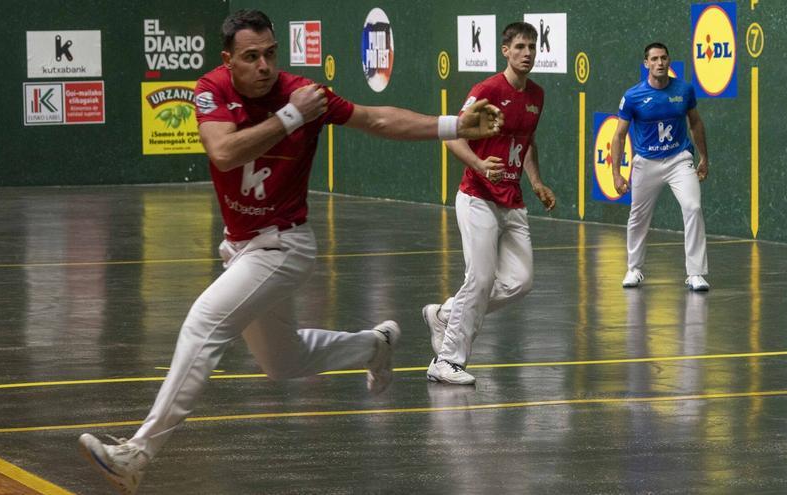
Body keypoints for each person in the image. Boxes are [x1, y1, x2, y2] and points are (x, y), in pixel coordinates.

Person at [78, 9, 502, 494]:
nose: (263, 66)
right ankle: (374, 345)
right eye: (251, 57)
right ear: (228, 60)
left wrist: (456, 125)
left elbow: (377, 118)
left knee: (203, 322)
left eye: (270, 54)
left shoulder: (306, 94)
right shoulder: (212, 90)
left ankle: (137, 453)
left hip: (285, 245)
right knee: (283, 361)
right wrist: (291, 115)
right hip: (240, 247)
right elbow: (223, 152)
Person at [422, 22, 556, 386]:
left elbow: (526, 141)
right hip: (477, 196)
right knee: (480, 278)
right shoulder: (487, 90)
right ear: (505, 51)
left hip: (513, 200)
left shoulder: (537, 95)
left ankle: (446, 314)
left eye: (532, 47)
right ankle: (446, 360)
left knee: (521, 281)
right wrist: (480, 164)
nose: (527, 53)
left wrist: (537, 182)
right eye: (520, 47)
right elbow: (452, 137)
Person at [611, 42, 710, 291]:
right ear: (646, 64)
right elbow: (619, 135)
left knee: (693, 207)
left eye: (664, 58)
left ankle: (695, 273)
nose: (659, 63)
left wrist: (703, 157)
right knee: (638, 216)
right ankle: (634, 269)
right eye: (654, 59)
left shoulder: (684, 90)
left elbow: (696, 123)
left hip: (679, 159)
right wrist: (616, 173)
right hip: (646, 163)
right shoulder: (633, 96)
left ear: (669, 61)